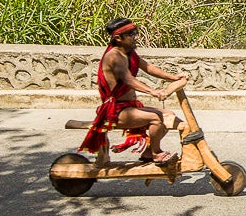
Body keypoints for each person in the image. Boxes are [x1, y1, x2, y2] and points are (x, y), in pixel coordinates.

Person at [78, 17, 187, 164]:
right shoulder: (113, 57)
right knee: (156, 119)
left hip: (129, 107)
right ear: (118, 38)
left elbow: (148, 67)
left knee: (169, 115)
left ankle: (148, 152)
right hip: (115, 111)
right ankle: (156, 153)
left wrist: (173, 77)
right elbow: (129, 79)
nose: (135, 38)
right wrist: (153, 92)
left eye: (135, 34)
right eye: (131, 35)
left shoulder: (128, 53)